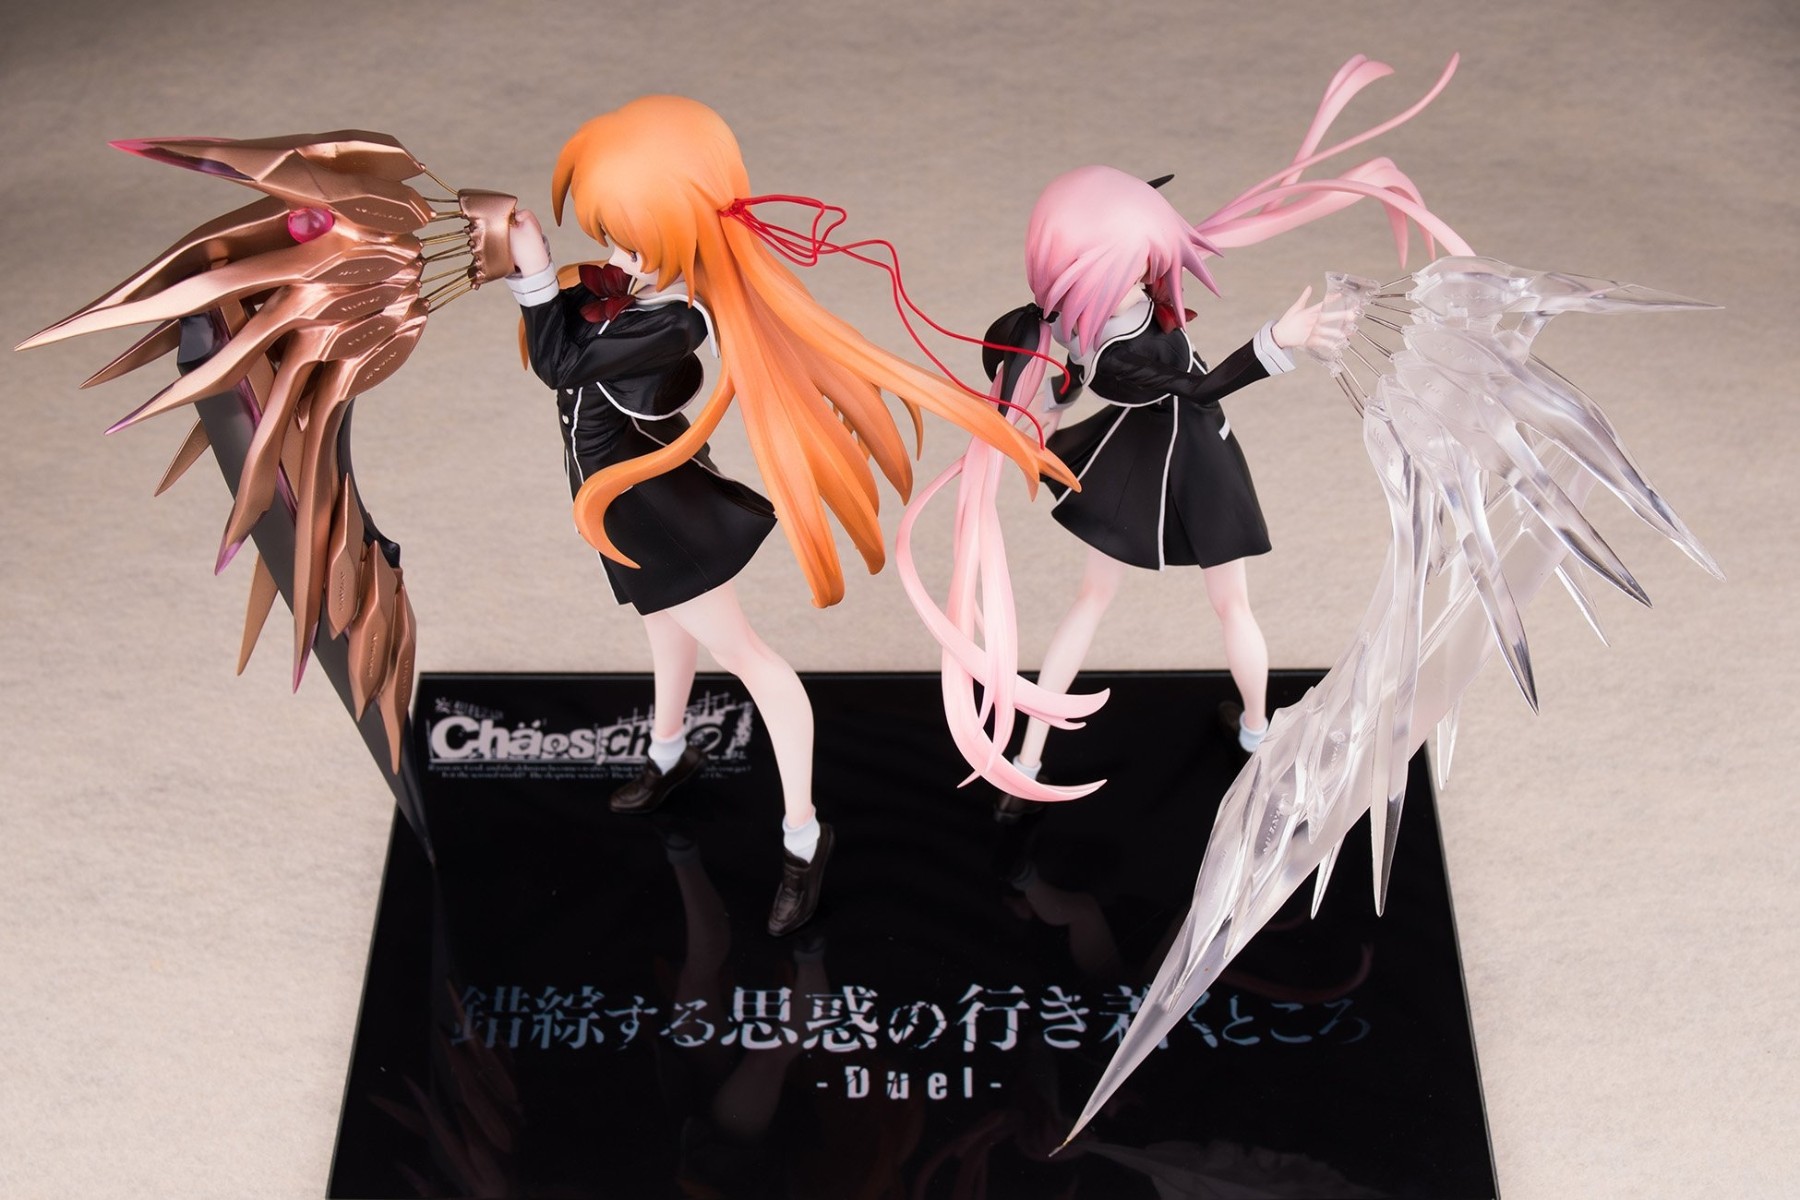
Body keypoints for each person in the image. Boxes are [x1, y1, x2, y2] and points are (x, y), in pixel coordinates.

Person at [503, 95, 1071, 933]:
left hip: (658, 519)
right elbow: (566, 344)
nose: (616, 258)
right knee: (664, 632)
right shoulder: (636, 295)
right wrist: (534, 264)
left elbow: (558, 363)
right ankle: (669, 752)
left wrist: (532, 270)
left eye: (631, 240)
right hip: (621, 510)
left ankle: (804, 836)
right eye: (612, 237)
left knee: (750, 661)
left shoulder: (672, 321)